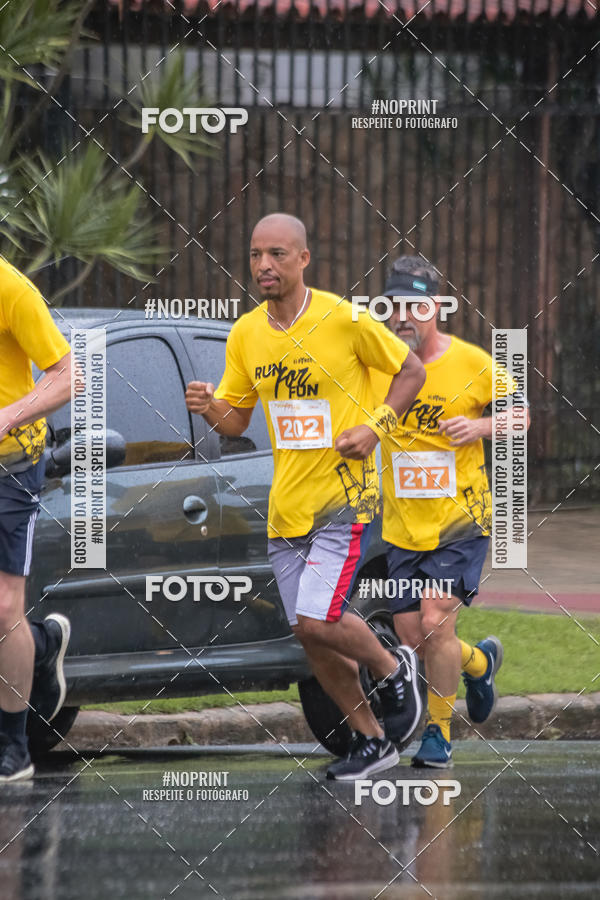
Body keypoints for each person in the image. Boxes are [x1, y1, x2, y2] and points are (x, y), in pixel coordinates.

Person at [185, 213, 426, 781]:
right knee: (307, 632)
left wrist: (373, 429)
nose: (263, 265)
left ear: (302, 259)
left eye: (275, 254)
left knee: (320, 617)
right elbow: (237, 419)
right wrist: (207, 405)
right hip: (287, 506)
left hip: (344, 498)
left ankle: (396, 670)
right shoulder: (246, 333)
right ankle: (372, 740)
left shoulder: (344, 319)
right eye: (254, 255)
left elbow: (411, 372)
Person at [371, 256, 530, 768]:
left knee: (436, 622)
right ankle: (480, 663)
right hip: (401, 525)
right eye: (395, 305)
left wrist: (480, 428)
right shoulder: (377, 366)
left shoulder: (472, 363)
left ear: (436, 307)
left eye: (416, 306)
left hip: (462, 519)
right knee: (413, 635)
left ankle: (437, 735)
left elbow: (521, 416)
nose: (404, 317)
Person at [0, 256, 73, 782]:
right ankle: (44, 644)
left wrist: (10, 415)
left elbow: (69, 374)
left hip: (10, 465)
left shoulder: (11, 289)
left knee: (4, 608)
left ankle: (14, 747)